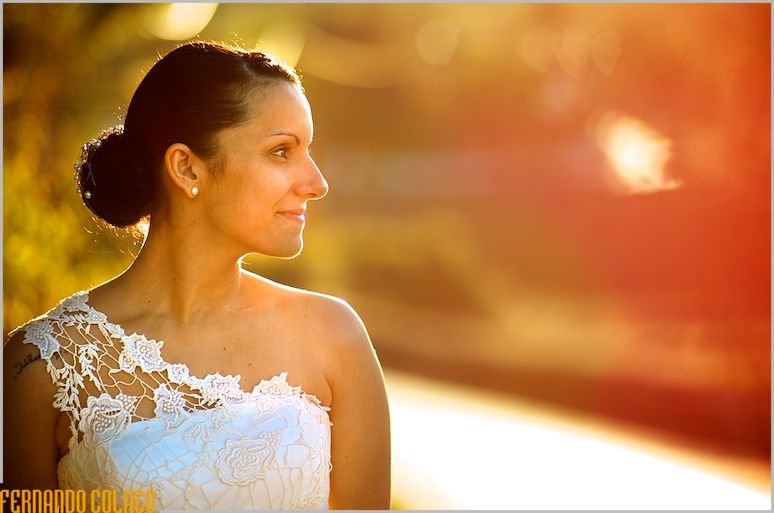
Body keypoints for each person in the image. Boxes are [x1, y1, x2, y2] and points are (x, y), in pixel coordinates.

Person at [3, 41, 391, 510]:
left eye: (307, 149)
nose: (316, 182)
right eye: (282, 151)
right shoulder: (41, 367)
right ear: (187, 166)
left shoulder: (335, 336)